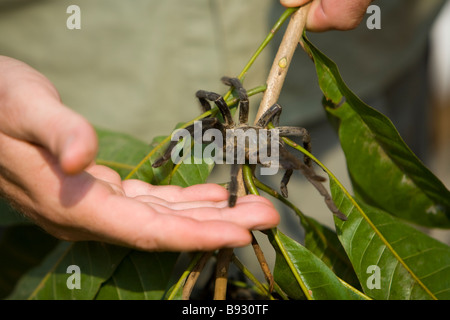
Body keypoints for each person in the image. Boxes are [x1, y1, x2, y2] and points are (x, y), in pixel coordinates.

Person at [0, 0, 375, 252]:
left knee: (297, 150)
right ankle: (164, 164)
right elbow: (225, 98)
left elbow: (299, 134)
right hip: (107, 104)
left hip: (366, 72)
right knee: (212, 117)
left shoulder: (267, 134)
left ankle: (330, 203)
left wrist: (292, 173)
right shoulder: (226, 127)